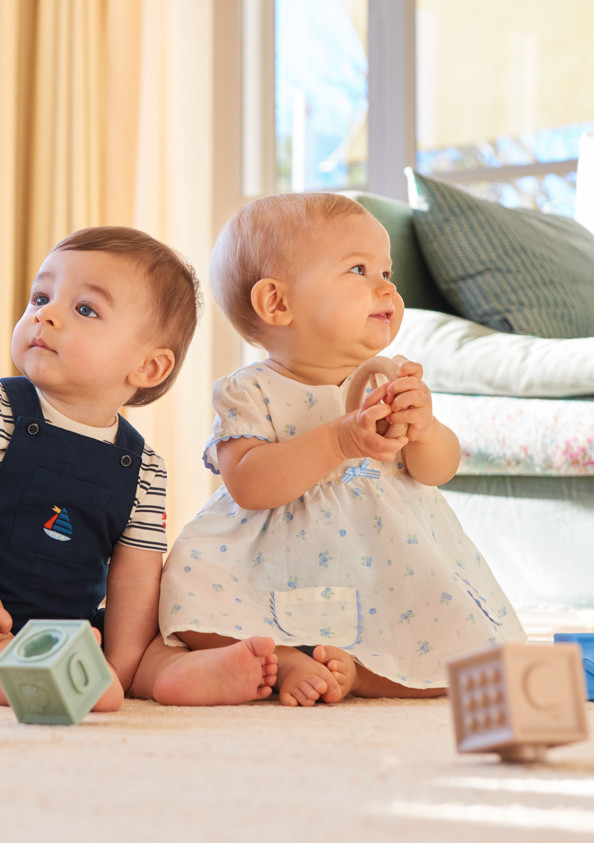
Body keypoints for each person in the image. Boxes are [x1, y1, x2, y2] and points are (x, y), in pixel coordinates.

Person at [136, 192, 525, 707]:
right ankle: (279, 656)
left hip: (387, 557)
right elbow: (248, 485)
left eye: (388, 273)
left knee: (473, 651)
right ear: (277, 303)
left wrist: (426, 431)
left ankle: (365, 675)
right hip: (271, 555)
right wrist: (338, 440)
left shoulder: (391, 381)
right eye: (359, 269)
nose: (385, 287)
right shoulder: (250, 391)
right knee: (189, 587)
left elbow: (437, 471)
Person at [0, 226, 201, 711]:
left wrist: (119, 664)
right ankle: (36, 675)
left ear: (149, 368)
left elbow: (135, 580)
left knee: (156, 640)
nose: (45, 315)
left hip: (66, 628)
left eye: (85, 309)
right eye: (40, 297)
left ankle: (175, 674)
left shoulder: (145, 469)